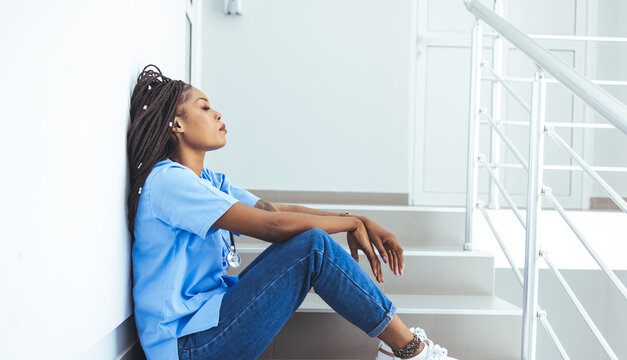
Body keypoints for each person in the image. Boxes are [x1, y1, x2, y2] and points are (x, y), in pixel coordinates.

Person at [126, 64, 455, 360]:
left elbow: (277, 209)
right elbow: (273, 226)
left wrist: (357, 220)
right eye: (205, 107)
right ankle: (410, 352)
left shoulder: (209, 182)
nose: (217, 114)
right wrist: (349, 224)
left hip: (208, 325)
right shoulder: (168, 182)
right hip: (188, 348)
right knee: (312, 247)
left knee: (311, 242)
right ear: (176, 123)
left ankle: (405, 351)